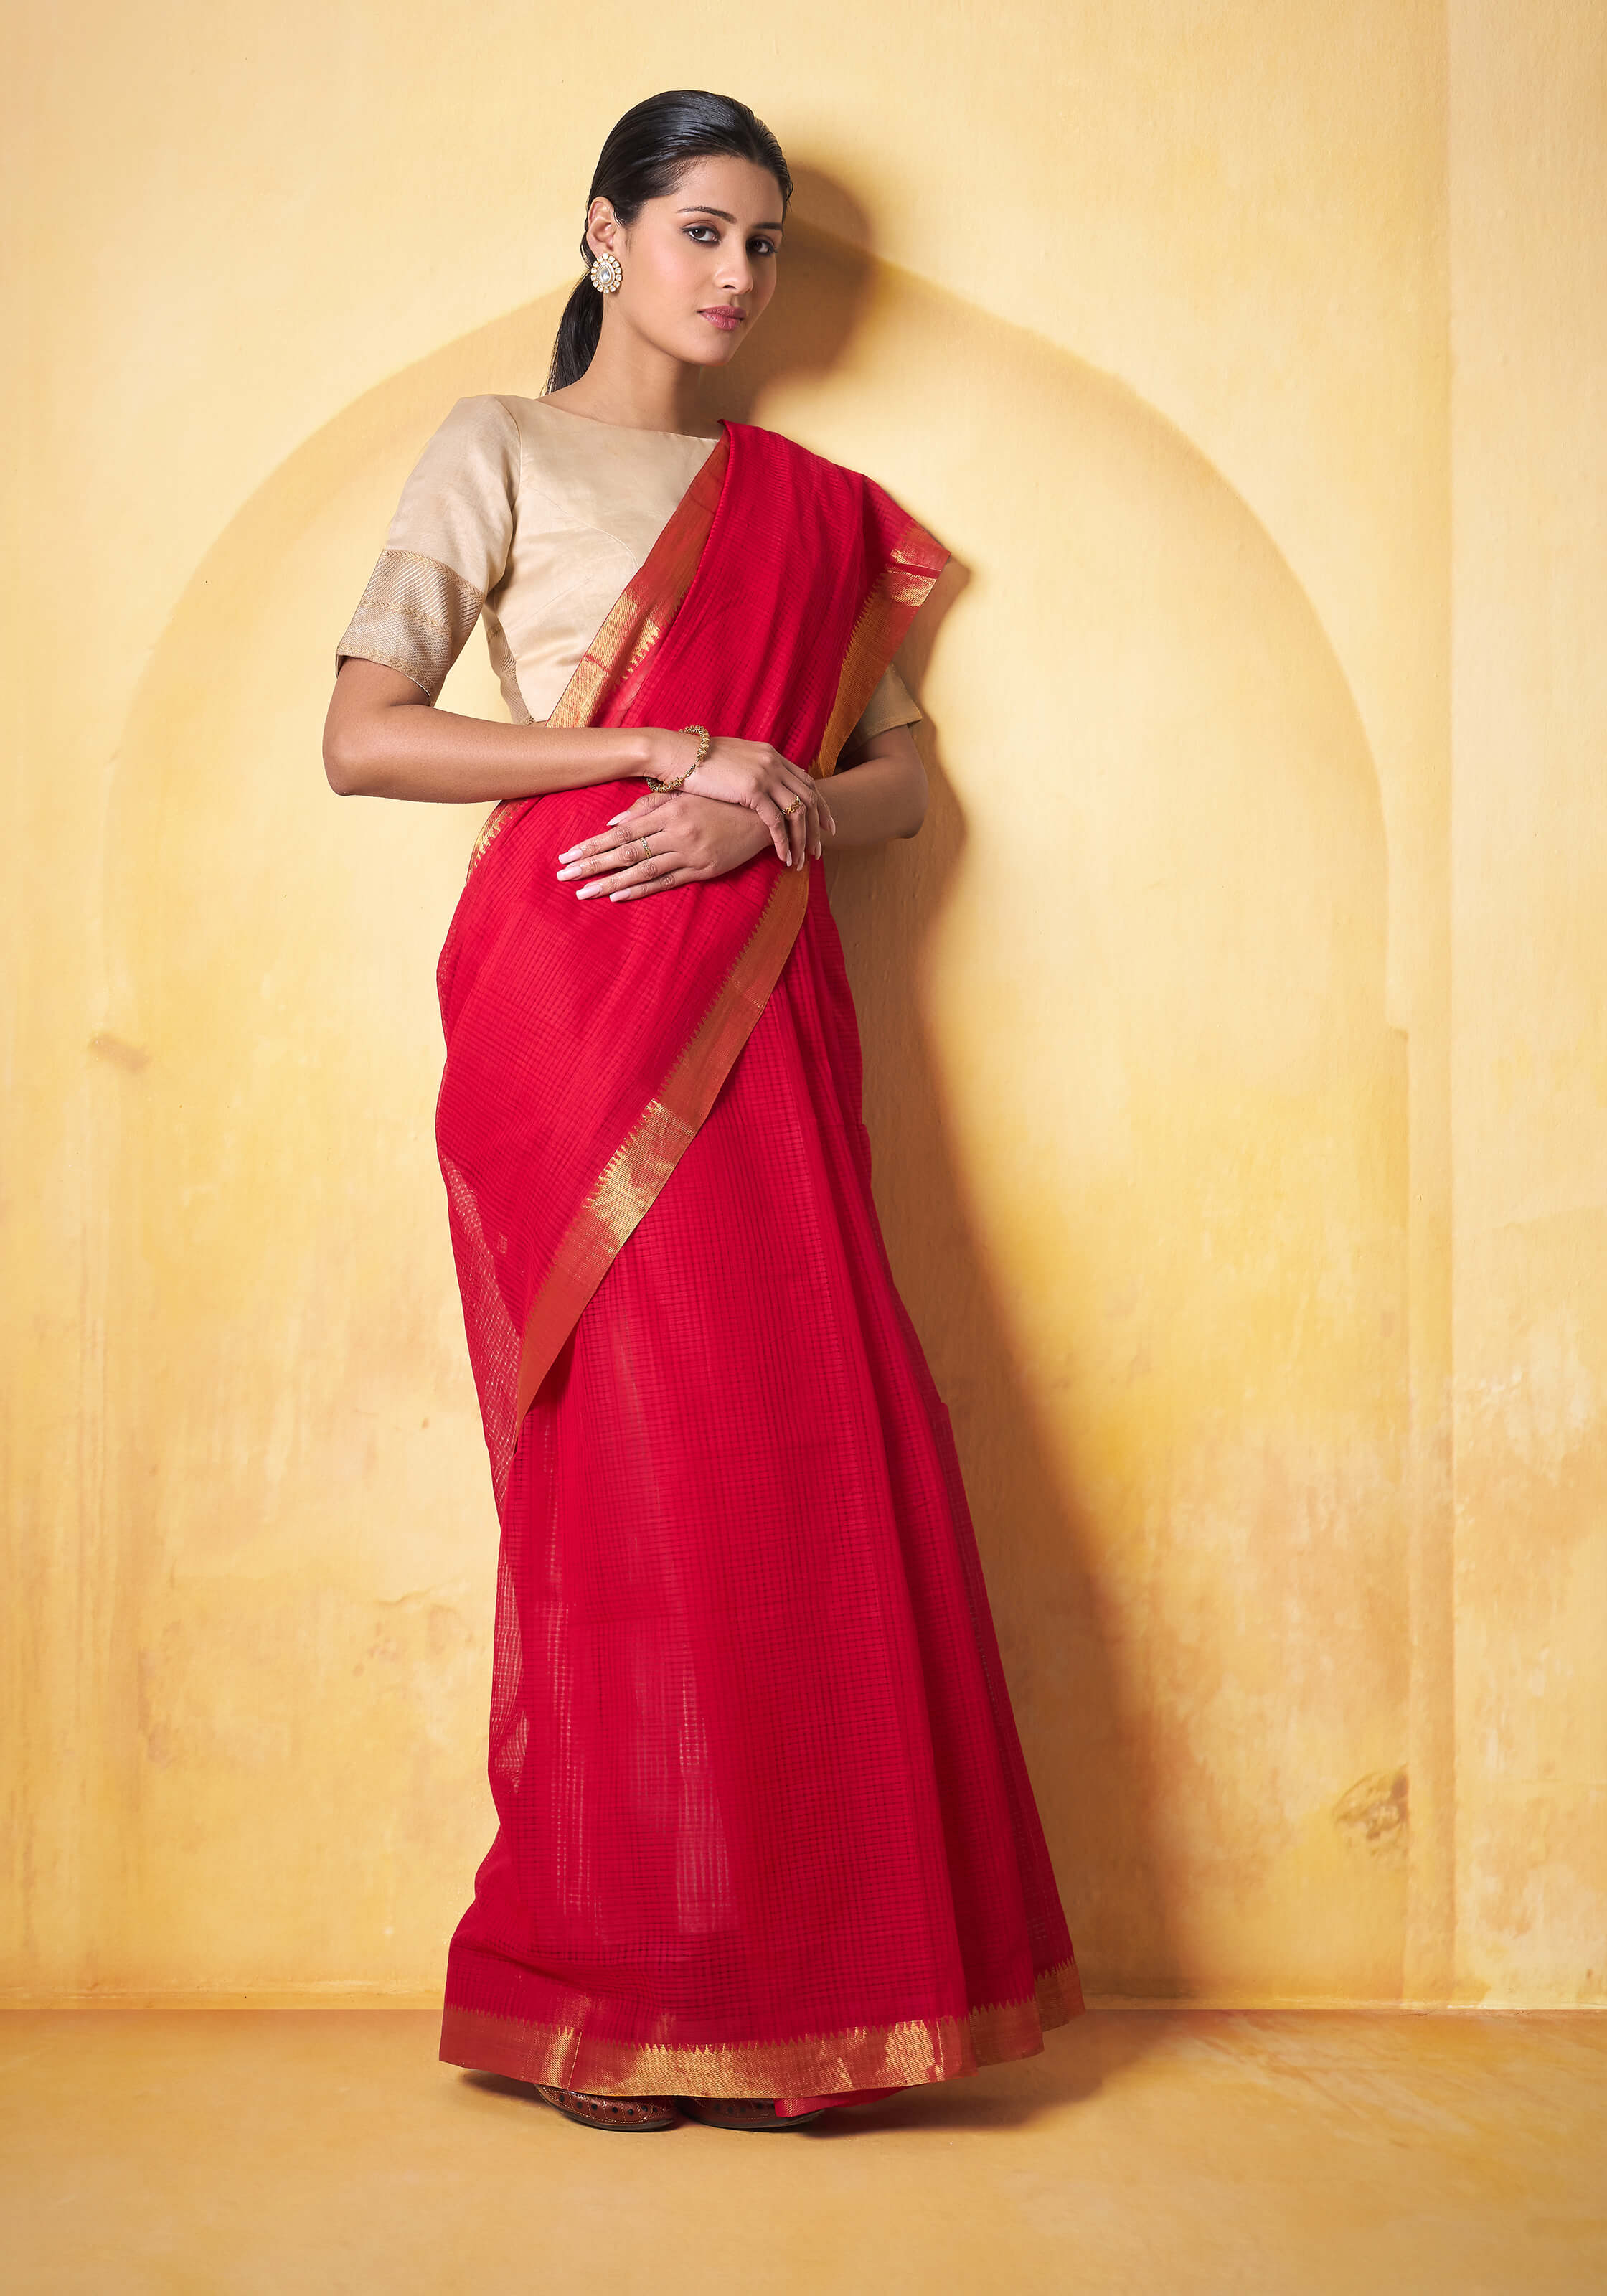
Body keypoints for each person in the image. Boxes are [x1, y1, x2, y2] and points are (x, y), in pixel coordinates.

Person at [323, 89, 1082, 2135]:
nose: (738, 276)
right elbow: (364, 738)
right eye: (701, 232)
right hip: (574, 1003)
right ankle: (609, 1986)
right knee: (627, 1493)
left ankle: (802, 1986)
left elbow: (907, 782)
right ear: (605, 235)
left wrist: (776, 805)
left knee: (795, 1466)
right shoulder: (494, 448)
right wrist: (661, 738)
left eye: (765, 244)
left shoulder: (817, 507)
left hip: (762, 1000)